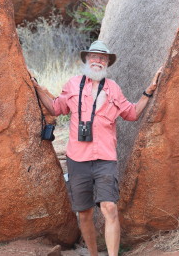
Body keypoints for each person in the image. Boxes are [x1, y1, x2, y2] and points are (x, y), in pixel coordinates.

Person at [30, 40, 162, 256]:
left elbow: (132, 113)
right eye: (94, 57)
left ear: (107, 63)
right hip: (77, 159)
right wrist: (38, 88)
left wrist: (150, 90)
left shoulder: (113, 88)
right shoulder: (73, 84)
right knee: (84, 213)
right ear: (87, 59)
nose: (98, 61)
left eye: (103, 58)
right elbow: (56, 107)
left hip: (105, 159)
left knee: (109, 207)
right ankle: (92, 253)